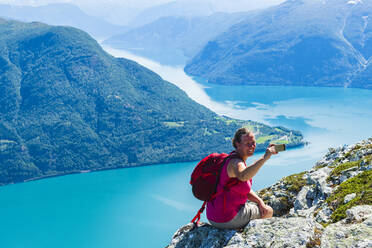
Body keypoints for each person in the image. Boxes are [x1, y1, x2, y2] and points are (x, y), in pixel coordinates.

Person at [206, 127, 277, 229]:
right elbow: (243, 176)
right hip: (227, 219)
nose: (252, 146)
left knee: (261, 206)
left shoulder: (229, 159)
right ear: (237, 144)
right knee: (268, 211)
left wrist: (259, 201)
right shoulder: (236, 163)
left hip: (213, 217)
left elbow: (243, 189)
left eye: (253, 143)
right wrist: (265, 157)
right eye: (248, 144)